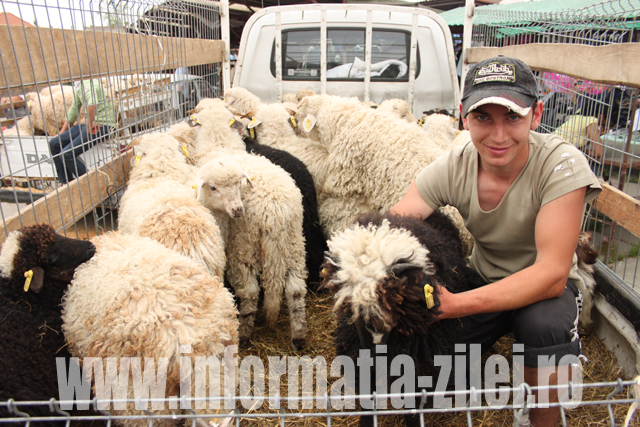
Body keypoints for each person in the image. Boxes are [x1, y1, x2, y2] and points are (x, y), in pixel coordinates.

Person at [390, 56, 601, 427]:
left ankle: (542, 414)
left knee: (543, 326)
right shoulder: (455, 165)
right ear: (463, 116)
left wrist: (455, 306)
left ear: (536, 115)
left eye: (513, 117)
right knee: (434, 369)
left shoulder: (561, 164)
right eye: (483, 117)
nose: (498, 136)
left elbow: (551, 274)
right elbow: (394, 223)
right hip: (483, 279)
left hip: (546, 291)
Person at [48, 79, 117, 185]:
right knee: (54, 144)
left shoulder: (88, 84)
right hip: (91, 124)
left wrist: (89, 124)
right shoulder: (80, 85)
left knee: (67, 154)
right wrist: (62, 132)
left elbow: (92, 104)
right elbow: (74, 109)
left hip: (103, 126)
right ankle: (66, 184)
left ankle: (91, 185)